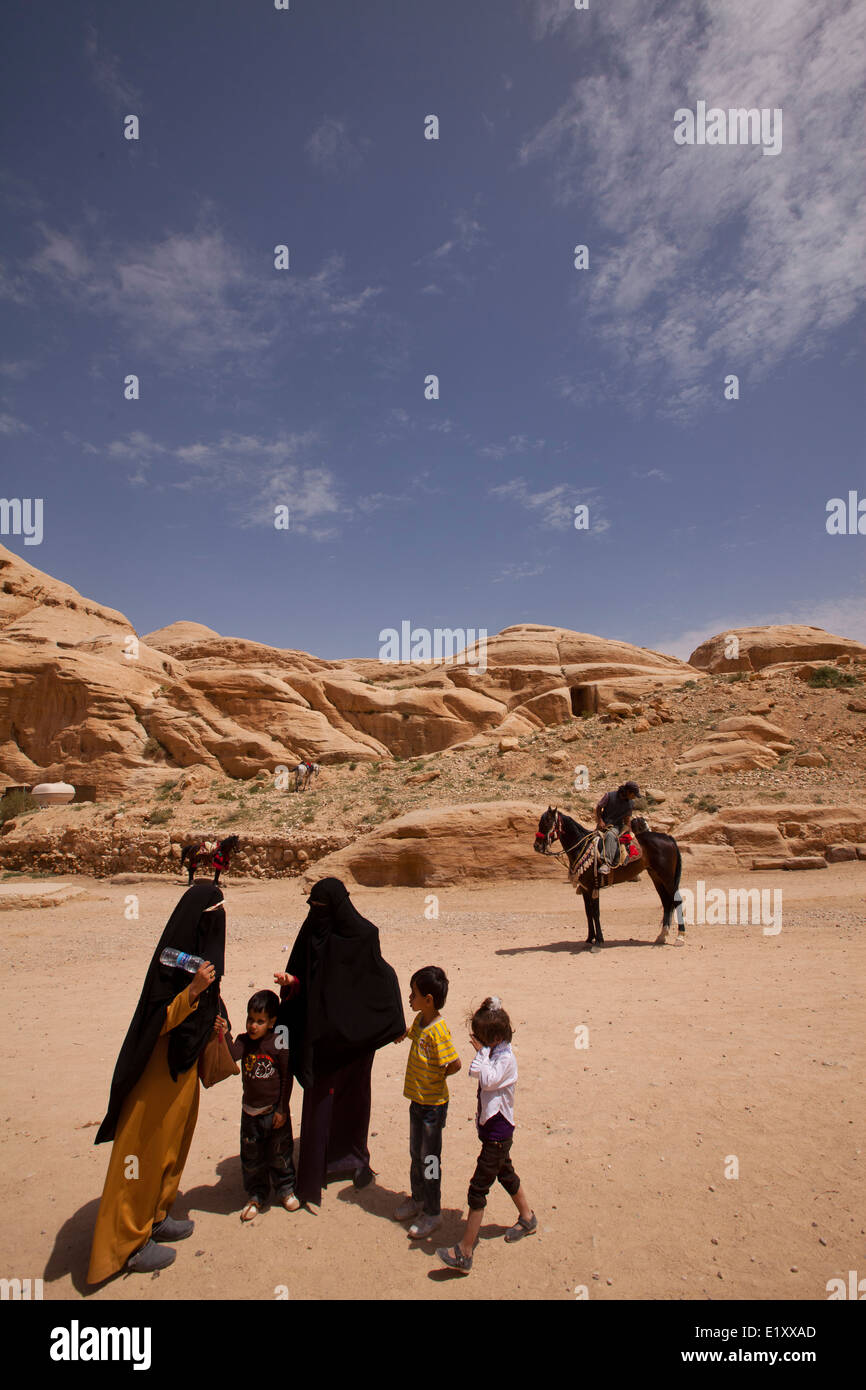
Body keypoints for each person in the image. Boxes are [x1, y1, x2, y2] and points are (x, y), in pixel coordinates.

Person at [87, 883, 229, 1282]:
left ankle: (157, 1216)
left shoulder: (201, 960)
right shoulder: (171, 963)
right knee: (141, 1154)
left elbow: (210, 1002)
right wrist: (194, 991)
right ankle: (122, 1247)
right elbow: (157, 1023)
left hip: (184, 1068)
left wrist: (215, 1018)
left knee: (174, 1145)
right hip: (158, 1071)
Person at [275, 878, 405, 1209]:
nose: (316, 914)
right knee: (320, 1102)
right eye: (313, 908)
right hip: (322, 1040)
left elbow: (381, 979)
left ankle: (353, 1158)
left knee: (355, 1101)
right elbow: (305, 976)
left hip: (355, 1042)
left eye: (322, 909)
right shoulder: (311, 935)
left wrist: (391, 1024)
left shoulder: (363, 936)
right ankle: (317, 1166)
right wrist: (294, 983)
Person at [437, 996, 536, 1273]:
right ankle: (527, 1218)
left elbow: (486, 1079)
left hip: (498, 1136)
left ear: (492, 1037)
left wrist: (480, 1053)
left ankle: (464, 1251)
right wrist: (484, 1053)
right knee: (505, 1173)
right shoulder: (495, 1053)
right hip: (493, 1134)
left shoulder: (505, 1060)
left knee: (478, 1189)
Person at [393, 966, 461, 1239]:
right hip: (416, 1103)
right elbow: (410, 1034)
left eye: (414, 994)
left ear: (429, 999)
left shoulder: (438, 1030)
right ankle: (418, 1198)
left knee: (430, 1159)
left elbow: (454, 1063)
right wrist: (400, 1033)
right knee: (415, 1154)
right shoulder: (421, 1021)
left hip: (433, 1106)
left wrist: (437, 1077)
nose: (410, 998)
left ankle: (433, 1213)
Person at [225, 990, 298, 1222]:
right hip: (250, 1114)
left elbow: (287, 1078)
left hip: (273, 1113)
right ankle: (256, 1193)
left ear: (272, 1022)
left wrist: (282, 1109)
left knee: (281, 1154)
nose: (253, 1026)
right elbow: (230, 1057)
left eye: (260, 1021)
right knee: (252, 1158)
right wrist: (224, 1034)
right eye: (250, 1020)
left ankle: (285, 1189)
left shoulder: (278, 1041)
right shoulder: (244, 1042)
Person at [595, 780, 642, 873]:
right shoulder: (609, 796)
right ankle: (606, 863)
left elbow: (627, 819)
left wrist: (629, 831)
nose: (634, 797)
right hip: (606, 825)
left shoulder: (630, 803)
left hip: (617, 826)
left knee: (632, 841)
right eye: (634, 794)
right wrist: (600, 821)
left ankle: (631, 868)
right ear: (628, 792)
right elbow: (599, 807)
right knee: (610, 835)